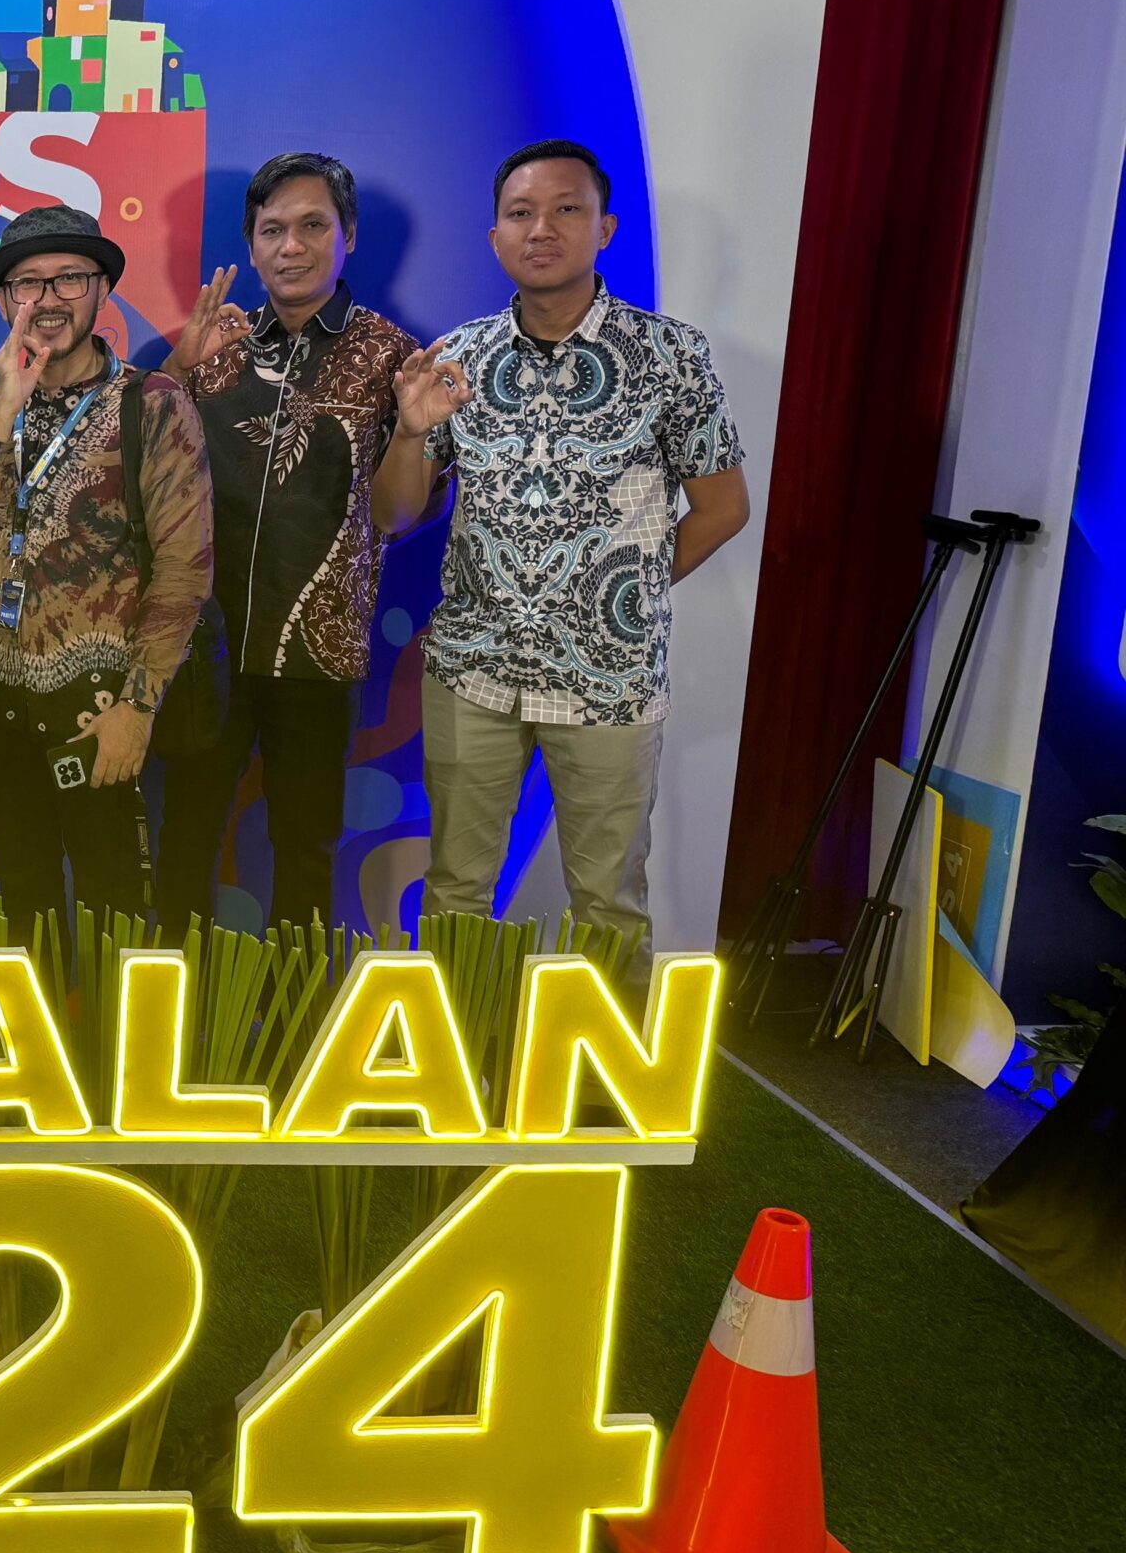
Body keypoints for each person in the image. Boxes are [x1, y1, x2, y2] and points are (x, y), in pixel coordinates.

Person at [372, 139, 751, 961]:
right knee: (457, 891)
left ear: (604, 229)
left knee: (609, 904)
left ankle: (598, 1052)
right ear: (495, 237)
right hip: (474, 669)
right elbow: (393, 515)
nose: (541, 228)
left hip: (611, 678)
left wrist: (625, 590)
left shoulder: (670, 356)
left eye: (566, 210)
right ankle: (461, 1040)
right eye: (520, 213)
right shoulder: (458, 359)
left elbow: (723, 508)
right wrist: (408, 432)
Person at [0, 205, 210, 943]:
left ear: (102, 289)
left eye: (69, 279)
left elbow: (184, 570)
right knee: (25, 905)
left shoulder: (152, 404)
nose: (48, 299)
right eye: (28, 283)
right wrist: (2, 417)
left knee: (115, 912)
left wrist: (137, 706)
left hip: (102, 710)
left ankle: (109, 1029)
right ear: (4, 302)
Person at [154, 153, 418, 937]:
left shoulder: (394, 357)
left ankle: (293, 1008)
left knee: (305, 848)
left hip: (318, 654)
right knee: (185, 833)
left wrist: (411, 430)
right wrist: (178, 366)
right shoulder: (217, 341)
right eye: (272, 230)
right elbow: (140, 460)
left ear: (348, 236)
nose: (291, 247)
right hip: (205, 644)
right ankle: (173, 998)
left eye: (312, 226)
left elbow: (401, 514)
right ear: (251, 243)